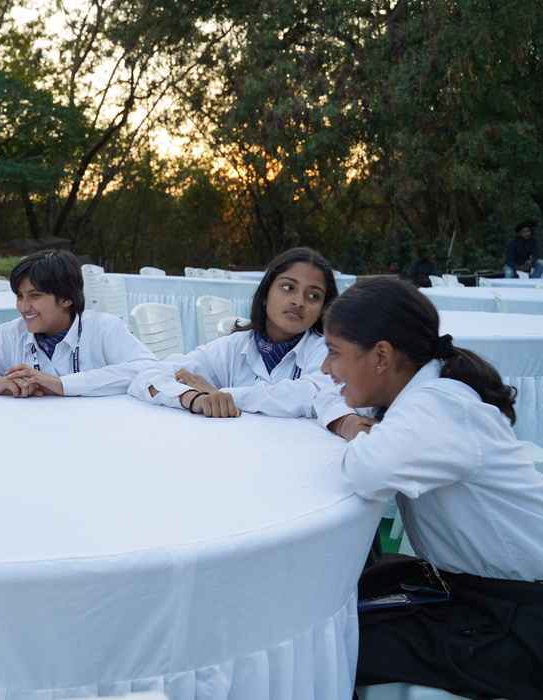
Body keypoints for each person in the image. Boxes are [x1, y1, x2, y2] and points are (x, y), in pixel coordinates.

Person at [321, 277, 543, 698]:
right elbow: (314, 394)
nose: (326, 368)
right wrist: (352, 422)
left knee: (332, 643)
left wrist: (354, 429)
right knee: (342, 605)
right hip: (480, 591)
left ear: (381, 356)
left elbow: (367, 471)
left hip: (519, 616)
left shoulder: (438, 406)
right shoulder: (428, 392)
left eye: (334, 352)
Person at [127, 247, 366, 437]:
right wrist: (195, 398)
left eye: (313, 296)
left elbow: (312, 394)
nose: (298, 301)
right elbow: (149, 376)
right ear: (265, 294)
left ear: (323, 308)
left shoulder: (326, 351)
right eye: (288, 287)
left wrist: (223, 394)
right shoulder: (234, 346)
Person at [0, 250, 156, 397]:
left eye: (35, 296)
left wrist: (62, 384)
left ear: (66, 298)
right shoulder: (12, 333)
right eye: (19, 296)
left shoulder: (103, 328)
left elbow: (148, 368)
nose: (23, 307)